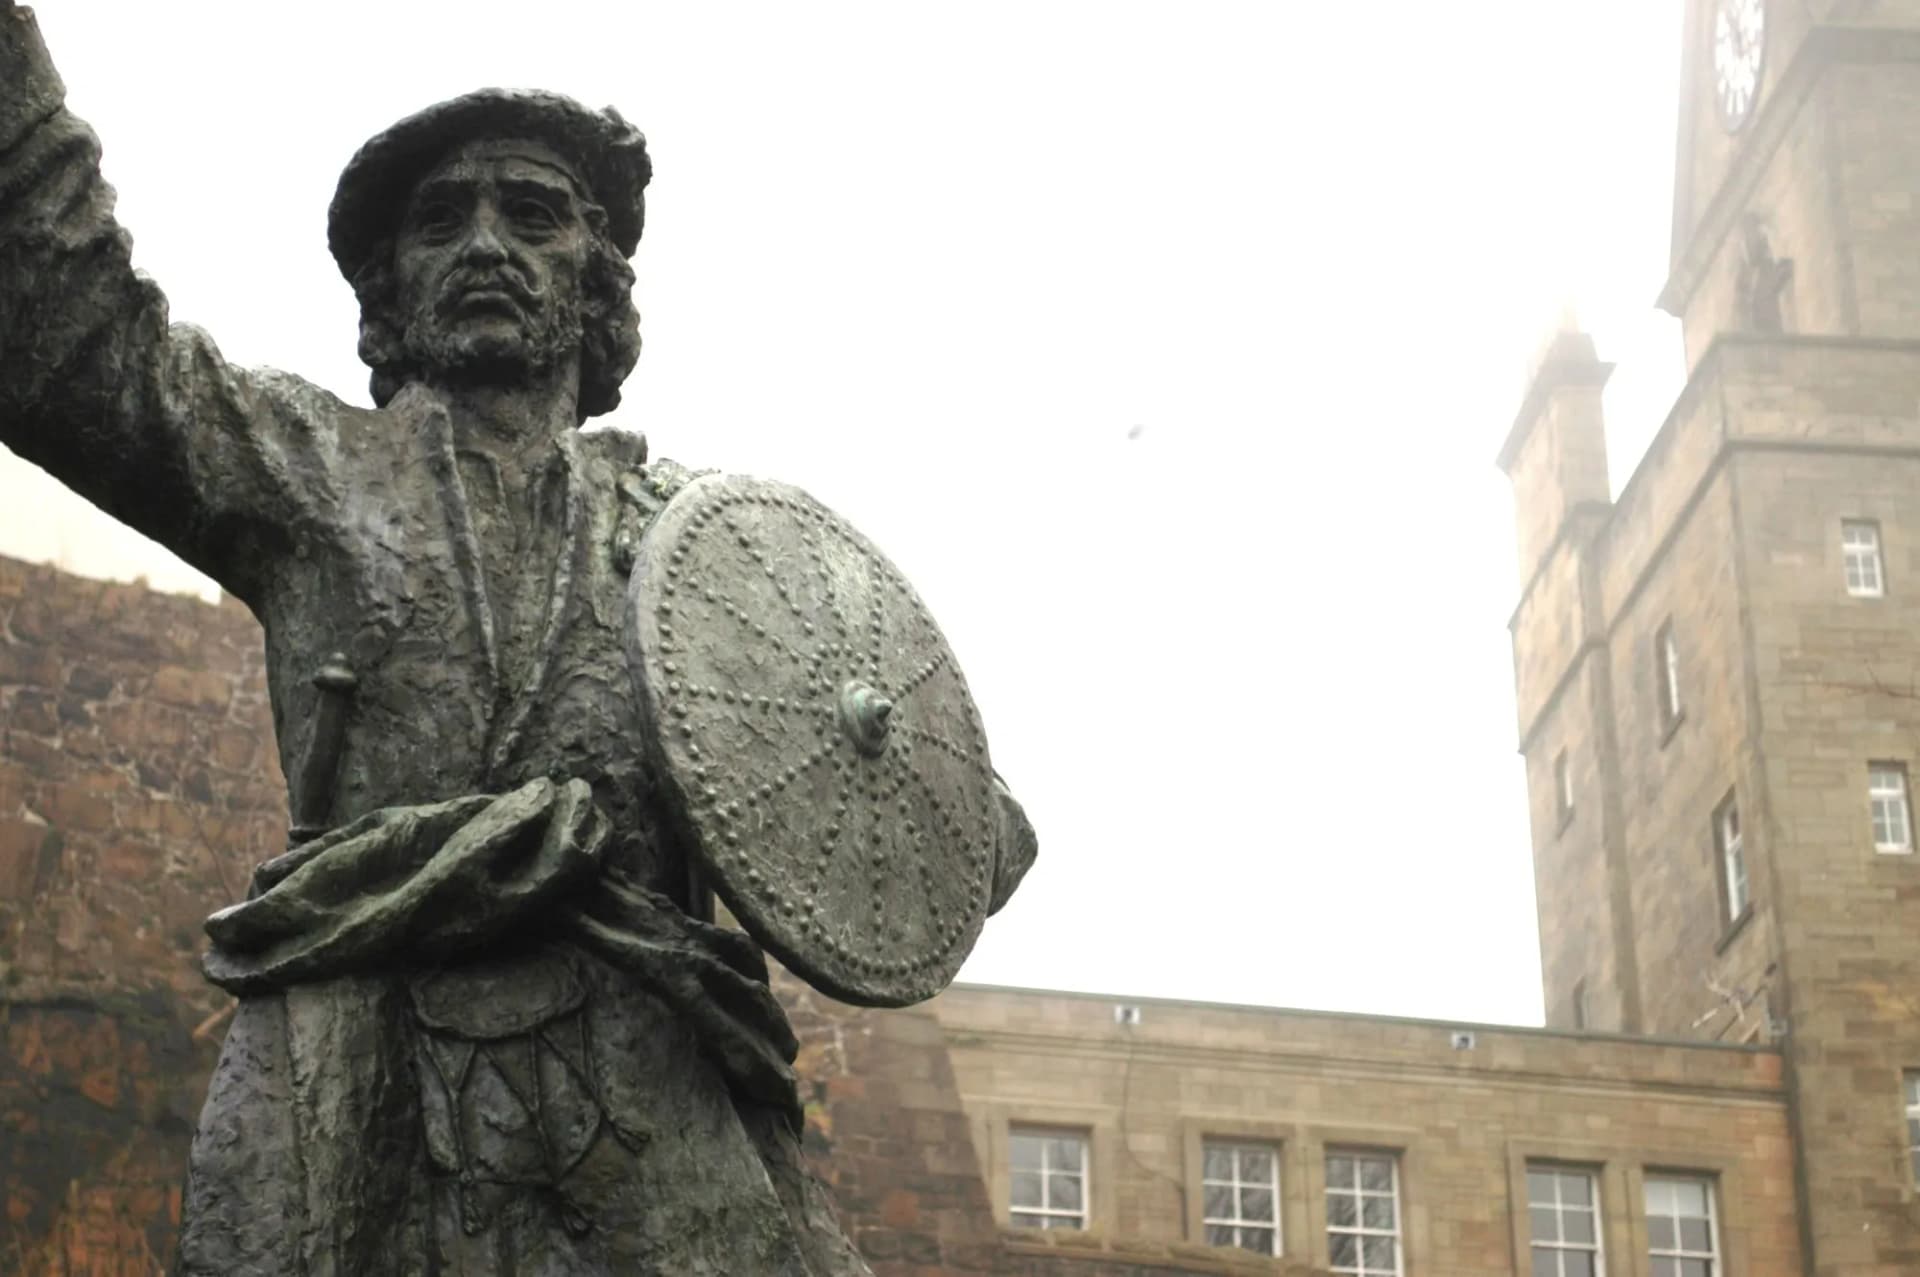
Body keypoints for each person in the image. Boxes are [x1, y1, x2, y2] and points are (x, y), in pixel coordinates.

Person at [0, 5, 1033, 1273]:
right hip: (354, 1083)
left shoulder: (704, 552)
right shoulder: (307, 471)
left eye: (532, 214)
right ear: (390, 288)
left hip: (649, 1110)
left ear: (592, 280)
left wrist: (911, 802)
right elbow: (68, 337)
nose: (487, 242)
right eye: (442, 219)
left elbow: (926, 817)